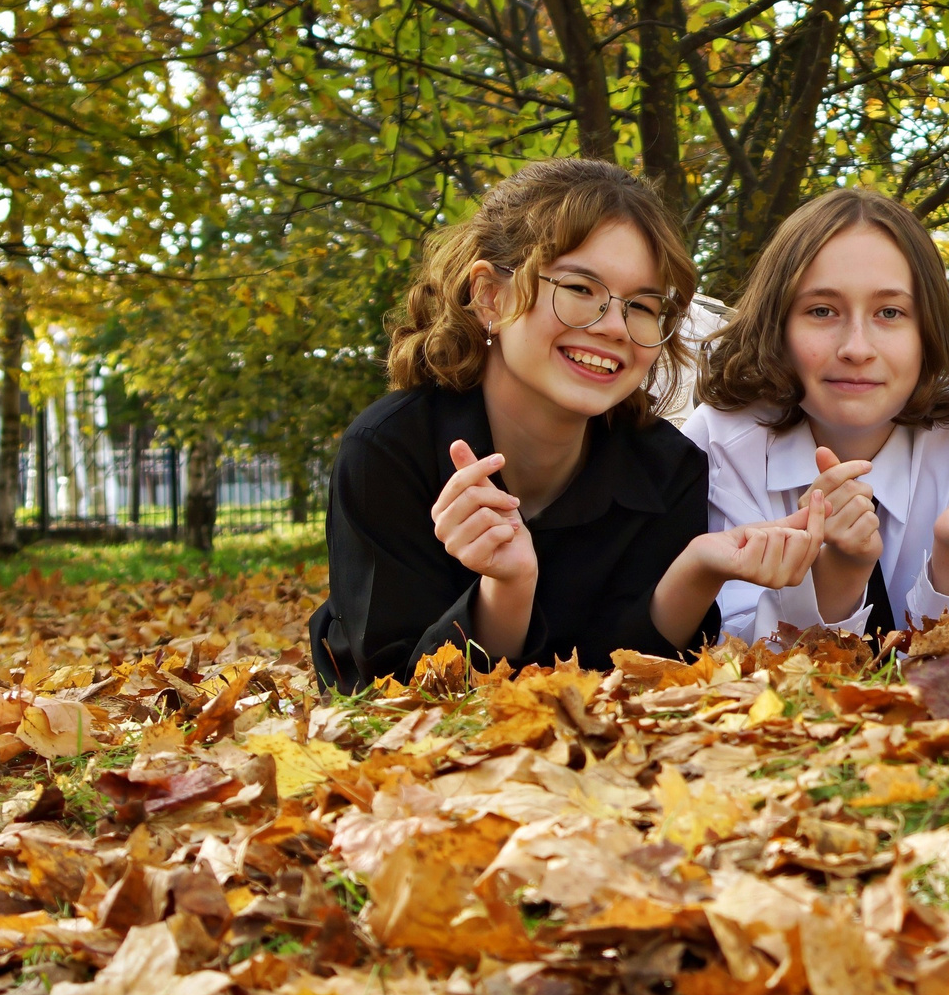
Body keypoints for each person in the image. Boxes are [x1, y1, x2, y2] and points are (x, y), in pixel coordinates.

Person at [310, 160, 824, 689]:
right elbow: (390, 695)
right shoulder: (390, 451)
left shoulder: (668, 469)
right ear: (490, 295)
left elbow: (632, 672)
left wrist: (698, 568)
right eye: (580, 289)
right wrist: (506, 591)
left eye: (643, 305)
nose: (613, 327)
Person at [685, 188, 949, 641]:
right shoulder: (720, 444)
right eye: (821, 311)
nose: (856, 348)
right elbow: (730, 662)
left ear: (927, 329)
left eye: (889, 312)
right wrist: (837, 576)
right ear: (778, 325)